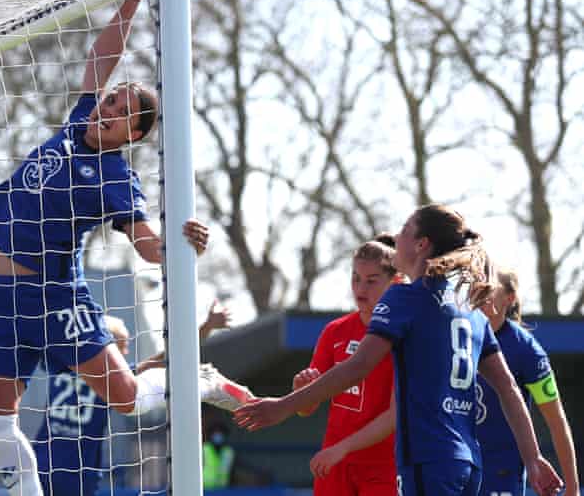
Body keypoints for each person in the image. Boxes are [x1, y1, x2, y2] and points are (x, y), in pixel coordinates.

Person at [0, 0, 249, 496]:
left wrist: (182, 248)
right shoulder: (77, 124)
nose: (108, 107)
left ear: (132, 134)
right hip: (3, 299)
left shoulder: (115, 177)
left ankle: (196, 380)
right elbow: (99, 60)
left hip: (55, 298)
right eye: (112, 98)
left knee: (128, 399)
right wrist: (129, 6)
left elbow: (144, 243)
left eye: (120, 110)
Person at [233, 204, 563, 496]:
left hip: (426, 460)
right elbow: (508, 388)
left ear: (421, 244)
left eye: (405, 229)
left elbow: (357, 366)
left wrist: (283, 407)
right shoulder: (470, 309)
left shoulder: (406, 298)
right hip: (467, 463)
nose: (396, 236)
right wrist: (533, 457)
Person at [32, 302, 235, 496]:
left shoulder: (63, 364)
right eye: (123, 345)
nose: (126, 351)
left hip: (41, 464)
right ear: (107, 346)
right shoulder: (111, 379)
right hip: (78, 472)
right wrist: (207, 327)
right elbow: (167, 358)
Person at [293, 234, 400, 496]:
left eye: (372, 281)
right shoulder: (335, 332)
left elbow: (395, 415)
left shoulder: (403, 335)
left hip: (383, 466)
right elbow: (306, 408)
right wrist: (300, 389)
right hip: (334, 463)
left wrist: (344, 448)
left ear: (394, 282)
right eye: (356, 279)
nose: (361, 289)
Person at [476, 268, 579, 496]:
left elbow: (556, 421)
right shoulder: (459, 334)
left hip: (501, 476)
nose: (480, 294)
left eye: (489, 289)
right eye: (477, 286)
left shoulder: (527, 351)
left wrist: (572, 489)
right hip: (457, 470)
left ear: (509, 298)